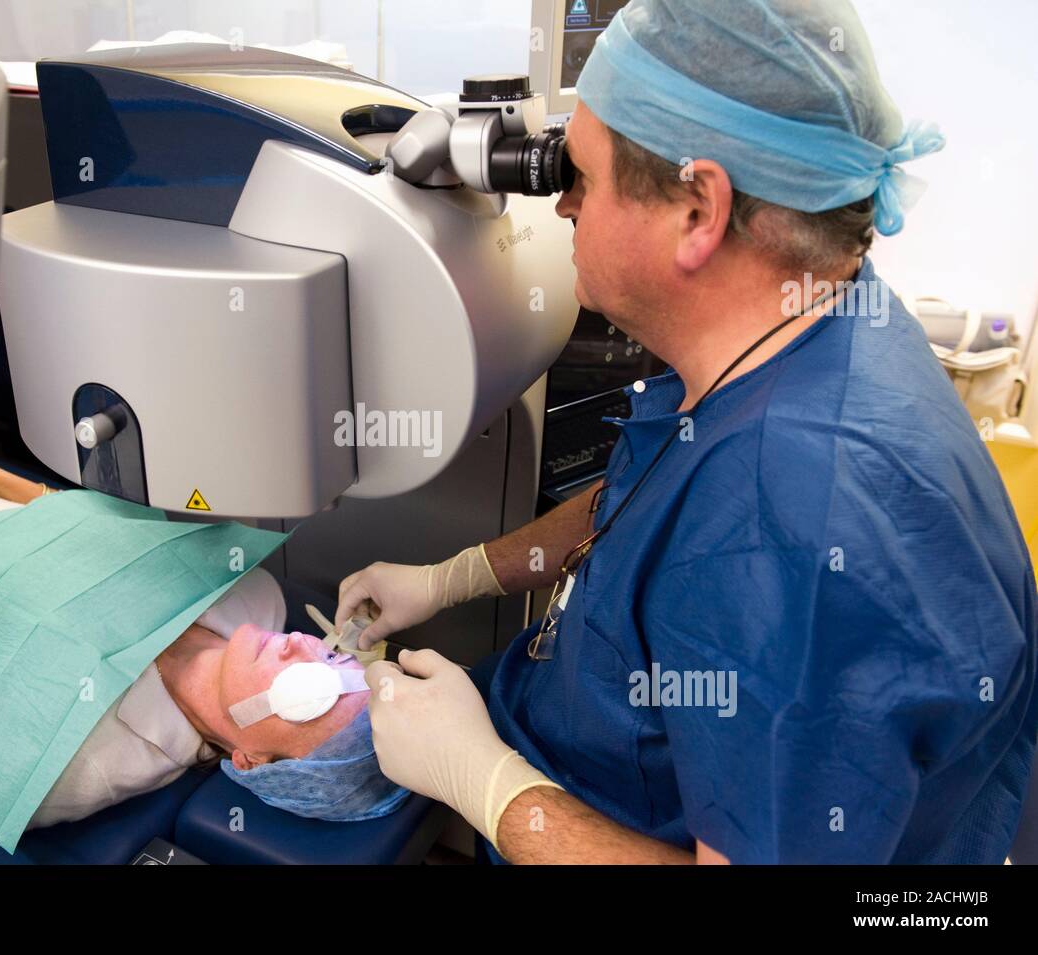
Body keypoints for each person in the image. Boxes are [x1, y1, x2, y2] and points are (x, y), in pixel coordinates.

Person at [334, 0, 1037, 863]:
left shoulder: (804, 528)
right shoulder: (796, 320)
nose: (561, 208)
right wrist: (455, 577)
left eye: (582, 177)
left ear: (700, 210)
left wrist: (485, 783)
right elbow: (648, 493)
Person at [0, 457, 406, 830]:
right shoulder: (250, 593)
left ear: (250, 760)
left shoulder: (83, 770)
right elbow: (94, 529)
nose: (304, 646)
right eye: (336, 657)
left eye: (313, 692)